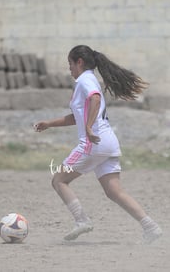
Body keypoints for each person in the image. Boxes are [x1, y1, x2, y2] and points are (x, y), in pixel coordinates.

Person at [34, 45, 162, 243]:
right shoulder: (90, 79)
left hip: (93, 142)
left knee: (58, 180)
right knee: (114, 191)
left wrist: (89, 127)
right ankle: (150, 226)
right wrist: (49, 124)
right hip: (108, 141)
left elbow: (94, 98)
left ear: (80, 62)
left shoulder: (85, 80)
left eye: (70, 64)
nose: (69, 69)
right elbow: (77, 117)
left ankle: (82, 220)